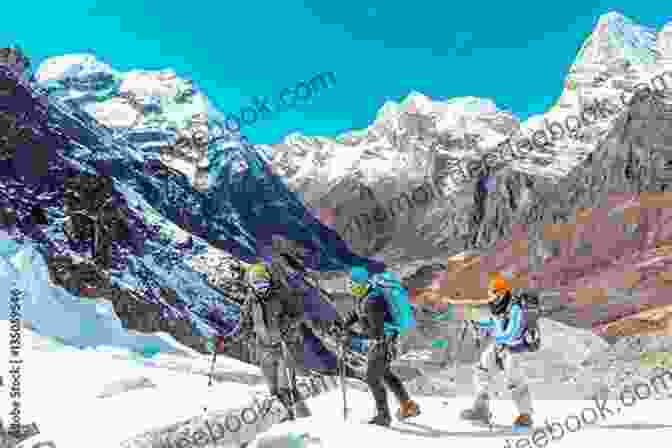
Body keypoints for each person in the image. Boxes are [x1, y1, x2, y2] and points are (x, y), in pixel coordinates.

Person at [340, 266, 420, 426]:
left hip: (382, 344)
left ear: (360, 284)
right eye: (348, 284)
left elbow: (376, 333)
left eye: (351, 284)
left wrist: (353, 336)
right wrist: (346, 324)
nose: (349, 287)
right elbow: (358, 312)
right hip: (386, 342)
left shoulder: (373, 301)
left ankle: (384, 416)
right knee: (385, 373)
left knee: (372, 378)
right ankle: (408, 406)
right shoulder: (367, 295)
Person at [459, 273, 534, 431]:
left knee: (515, 380)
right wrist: (476, 322)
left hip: (514, 348)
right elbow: (492, 324)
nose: (493, 297)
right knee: (481, 371)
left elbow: (511, 333)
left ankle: (525, 416)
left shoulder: (515, 309)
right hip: (500, 346)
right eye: (492, 294)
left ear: (503, 293)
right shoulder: (498, 308)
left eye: (495, 294)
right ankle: (481, 408)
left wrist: (494, 333)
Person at [244, 250, 312, 422]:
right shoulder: (250, 301)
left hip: (284, 347)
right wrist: (226, 339)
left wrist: (289, 324)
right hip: (264, 350)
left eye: (264, 284)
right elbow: (244, 324)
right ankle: (285, 419)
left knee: (286, 388)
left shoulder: (281, 295)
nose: (262, 289)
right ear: (251, 285)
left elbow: (301, 314)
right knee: (274, 392)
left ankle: (298, 421)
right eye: (257, 285)